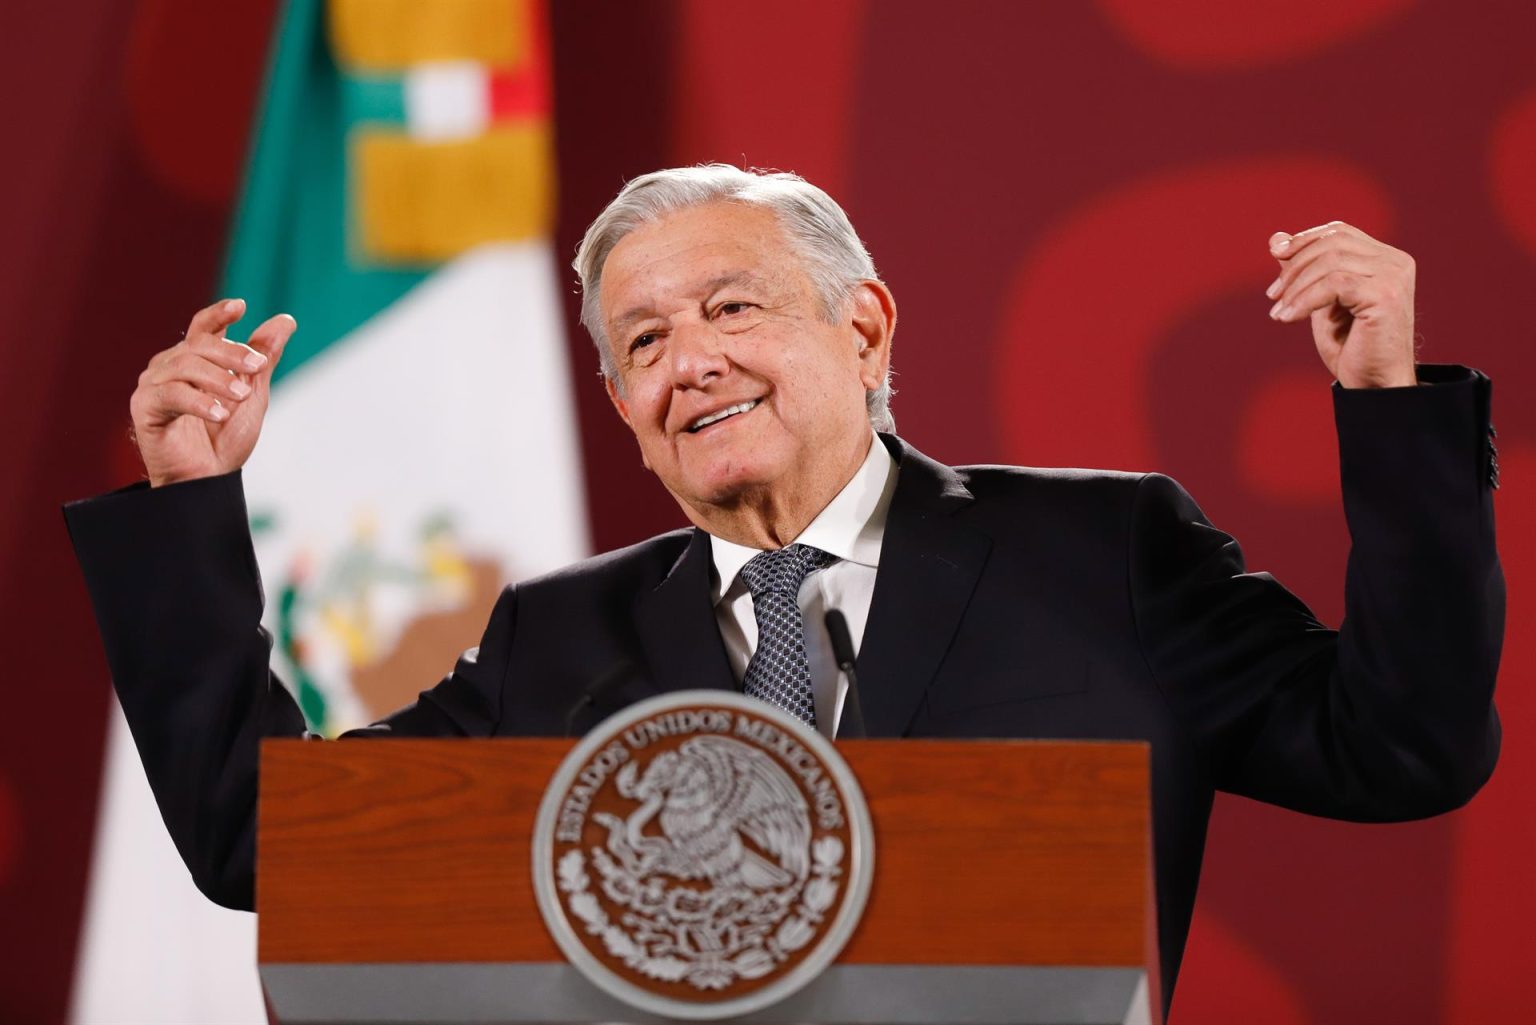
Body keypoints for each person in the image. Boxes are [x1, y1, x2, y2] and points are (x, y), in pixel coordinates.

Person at [66, 165, 1502, 1010]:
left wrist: (1386, 404)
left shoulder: (1109, 554)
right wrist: (191, 501)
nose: (686, 359)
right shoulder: (557, 635)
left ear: (864, 326)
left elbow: (1405, 745)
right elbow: (277, 845)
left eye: (730, 305)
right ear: (623, 405)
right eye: (641, 341)